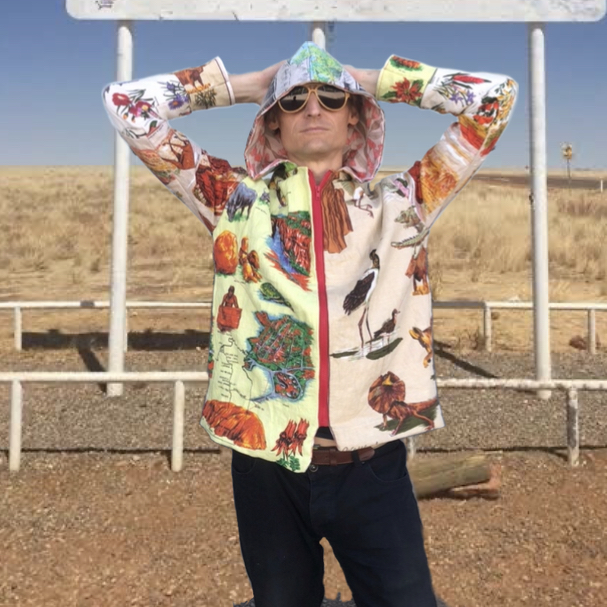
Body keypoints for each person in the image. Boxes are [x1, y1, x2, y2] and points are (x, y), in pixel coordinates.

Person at [102, 42, 518, 607]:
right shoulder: (233, 201)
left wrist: (372, 79)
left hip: (372, 462)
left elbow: (495, 99)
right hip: (266, 465)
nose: (314, 107)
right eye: (294, 100)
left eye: (331, 97)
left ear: (356, 120)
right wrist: (245, 85)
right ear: (272, 125)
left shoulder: (405, 202)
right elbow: (125, 105)